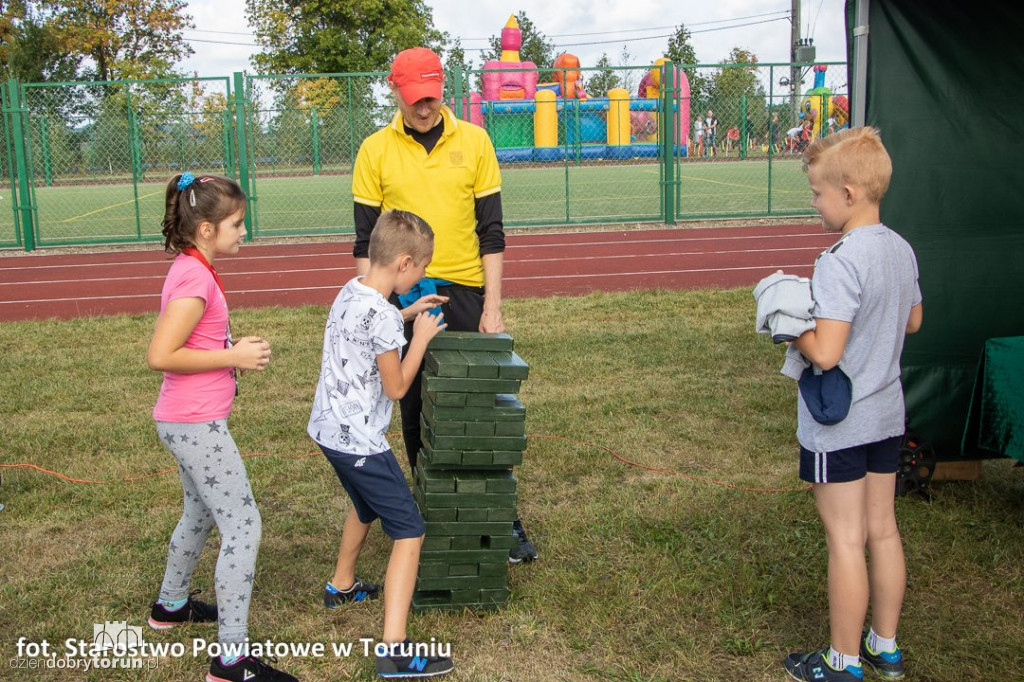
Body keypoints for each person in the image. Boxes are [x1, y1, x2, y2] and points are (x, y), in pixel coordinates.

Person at [350, 46, 538, 564]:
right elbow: (366, 243)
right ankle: (430, 508)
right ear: (396, 92)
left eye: (431, 97)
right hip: (402, 295)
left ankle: (502, 519)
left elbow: (492, 232)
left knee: (478, 408)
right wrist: (375, 311)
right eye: (414, 100)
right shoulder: (375, 150)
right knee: (413, 407)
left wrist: (492, 305)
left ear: (442, 91)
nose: (424, 108)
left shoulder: (475, 141)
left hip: (464, 291)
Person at [779, 127, 923, 682]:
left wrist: (789, 328)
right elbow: (913, 319)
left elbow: (827, 352)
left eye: (818, 192)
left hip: (838, 425)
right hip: (886, 415)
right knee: (882, 529)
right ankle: (884, 646)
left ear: (850, 193)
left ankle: (841, 662)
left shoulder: (839, 259)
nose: (813, 202)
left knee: (845, 539)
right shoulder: (900, 246)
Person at [146, 173, 297, 682]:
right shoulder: (193, 277)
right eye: (236, 224)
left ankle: (170, 605)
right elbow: (161, 355)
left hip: (187, 421)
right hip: (195, 424)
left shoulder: (194, 267)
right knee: (243, 524)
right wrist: (233, 354)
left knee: (200, 512)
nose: (243, 232)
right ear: (206, 229)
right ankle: (231, 660)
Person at [309, 210, 454, 679]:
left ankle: (342, 585)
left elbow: (371, 321)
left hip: (328, 431)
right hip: (362, 442)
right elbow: (396, 387)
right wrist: (421, 337)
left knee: (364, 505)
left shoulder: (351, 291)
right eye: (424, 266)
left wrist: (405, 313)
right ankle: (394, 649)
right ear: (405, 263)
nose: (425, 274)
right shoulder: (385, 320)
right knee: (409, 530)